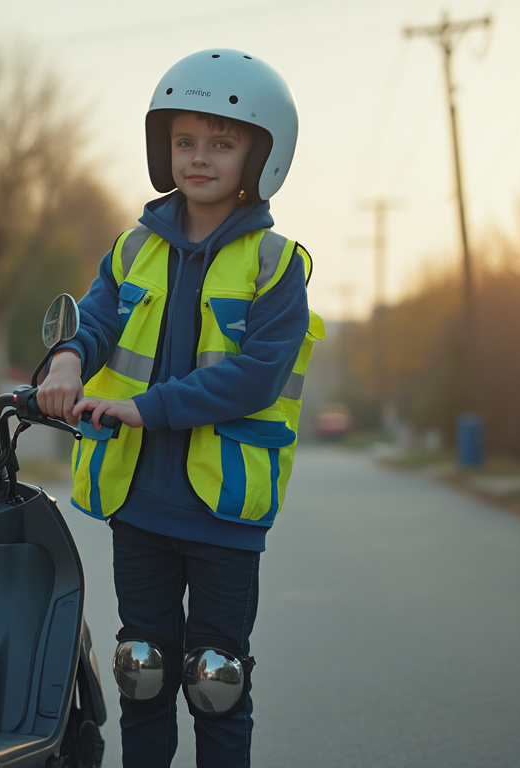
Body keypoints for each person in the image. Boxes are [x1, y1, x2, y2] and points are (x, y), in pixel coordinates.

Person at [37, 49, 324, 768]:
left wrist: (146, 409)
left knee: (215, 679)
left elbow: (256, 379)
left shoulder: (276, 266)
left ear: (262, 154)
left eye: (222, 143)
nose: (200, 158)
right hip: (138, 501)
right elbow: (95, 321)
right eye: (185, 141)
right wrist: (68, 357)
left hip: (223, 511)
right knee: (144, 668)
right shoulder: (133, 248)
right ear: (162, 149)